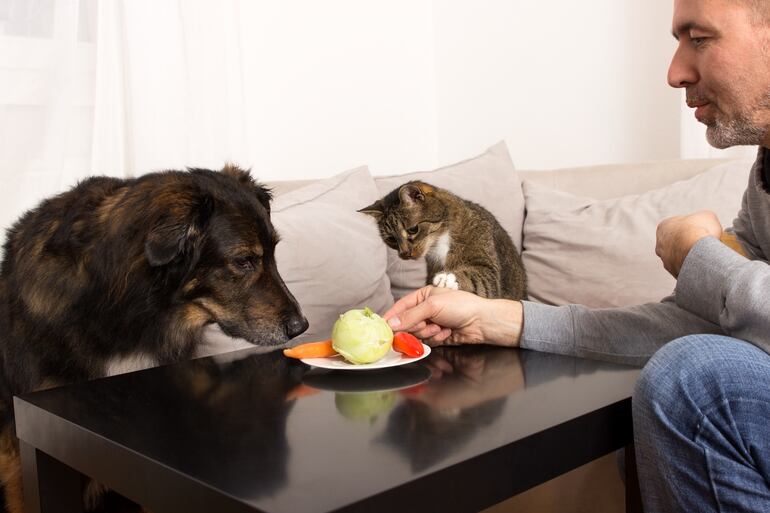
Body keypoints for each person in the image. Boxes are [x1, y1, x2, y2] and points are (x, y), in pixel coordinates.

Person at [383, 0, 770, 511]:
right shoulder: (764, 174)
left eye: (699, 38)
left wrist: (693, 253)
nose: (675, 72)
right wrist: (502, 319)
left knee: (692, 382)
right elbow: (709, 322)